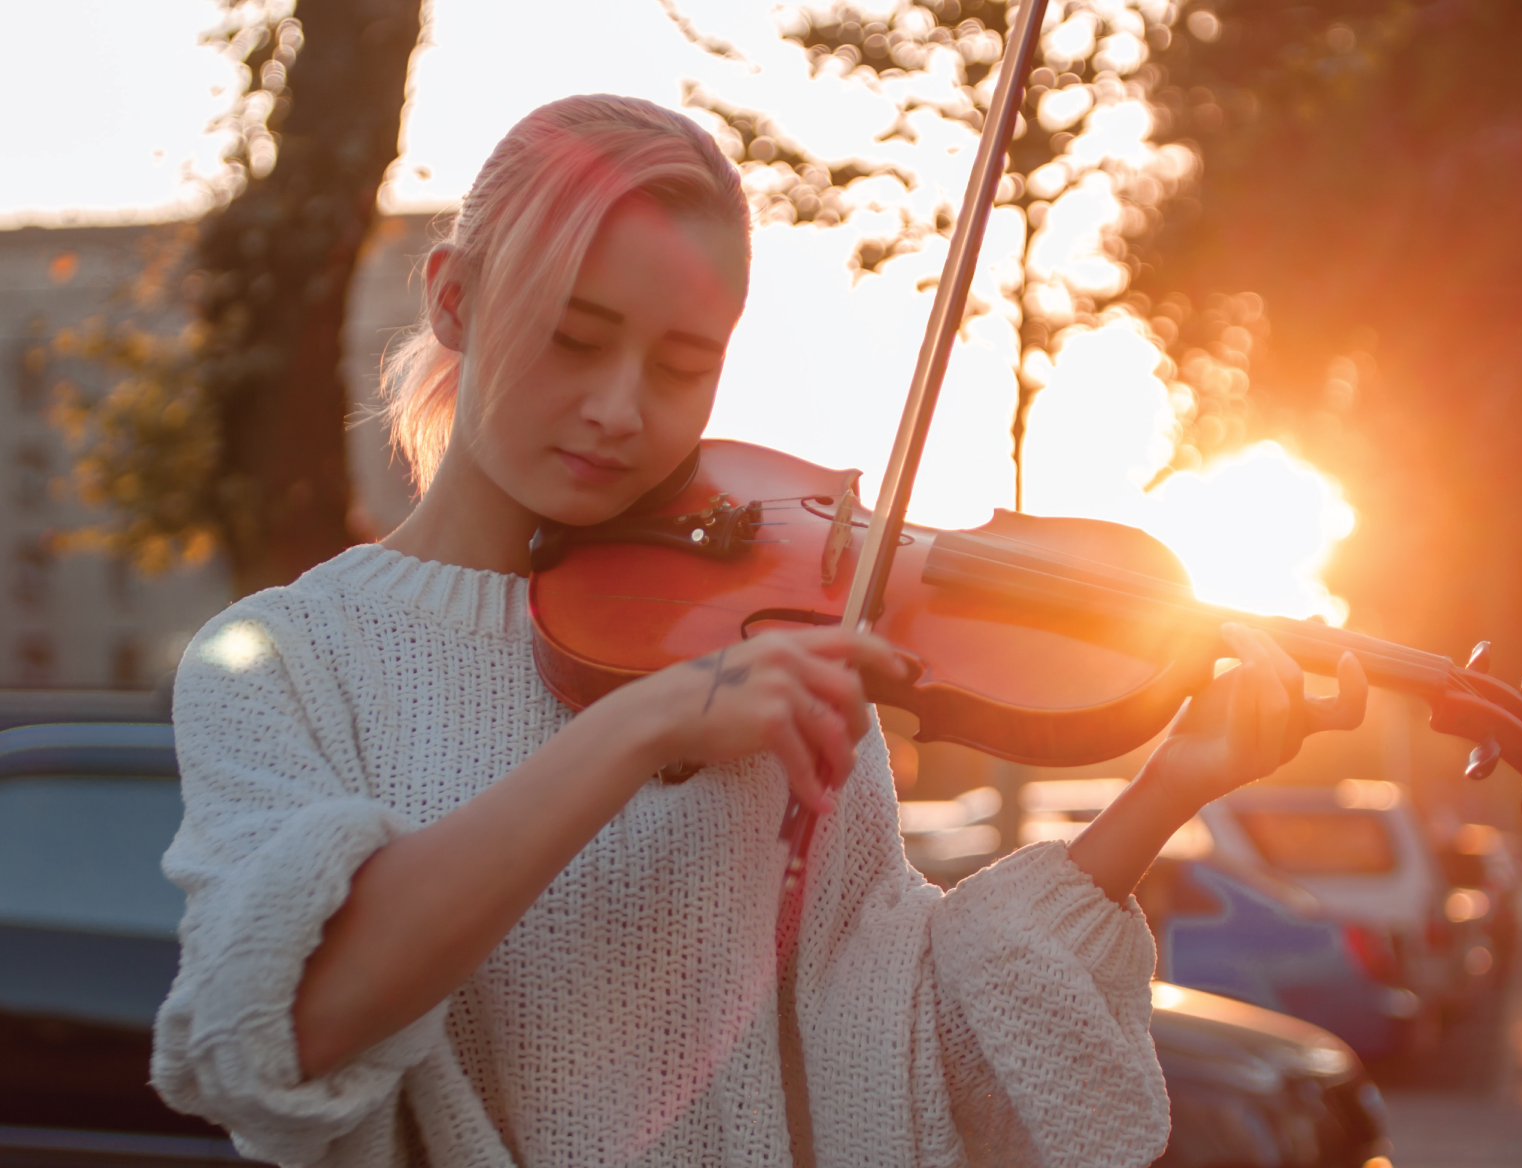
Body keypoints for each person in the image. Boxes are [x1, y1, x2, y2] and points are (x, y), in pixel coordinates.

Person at [150, 95, 1367, 1168]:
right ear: (455, 296)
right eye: (575, 340)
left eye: (684, 365)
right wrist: (645, 724)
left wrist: (1168, 789)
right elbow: (285, 1028)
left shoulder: (758, 641)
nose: (619, 408)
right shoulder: (286, 663)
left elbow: (900, 1042)